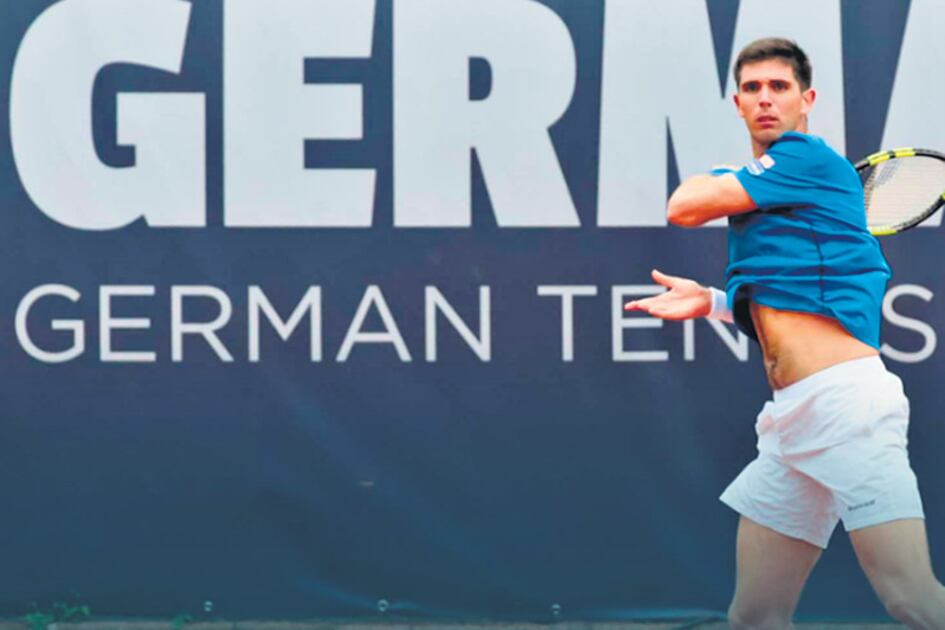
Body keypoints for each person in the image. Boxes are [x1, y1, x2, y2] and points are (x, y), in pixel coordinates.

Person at [624, 38, 945, 629]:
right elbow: (791, 307)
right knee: (755, 615)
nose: (765, 99)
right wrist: (716, 303)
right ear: (737, 102)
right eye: (753, 89)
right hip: (792, 422)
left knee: (914, 601)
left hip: (849, 409)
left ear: (807, 99)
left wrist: (725, 176)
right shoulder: (771, 198)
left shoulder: (807, 160)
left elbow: (684, 205)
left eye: (779, 87)